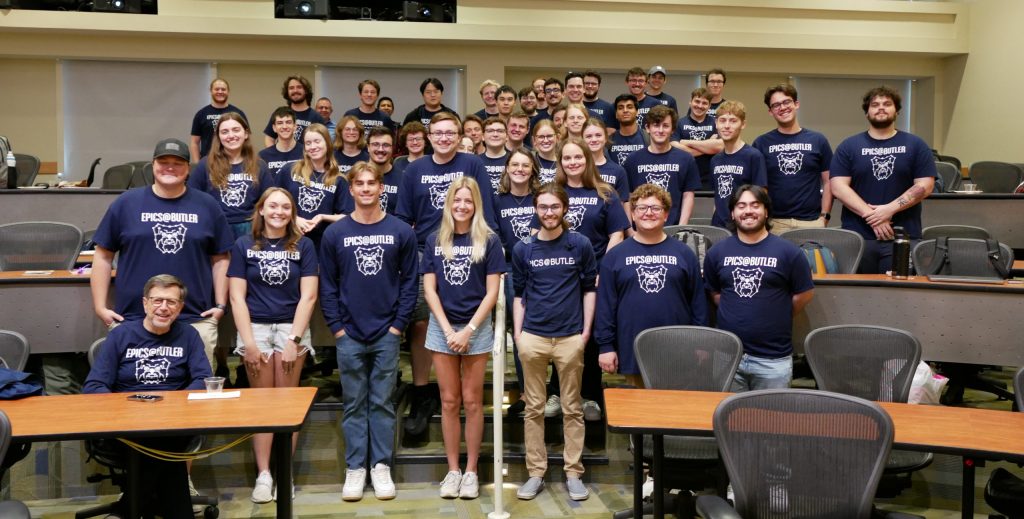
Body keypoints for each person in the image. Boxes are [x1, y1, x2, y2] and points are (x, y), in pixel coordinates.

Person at [320, 161, 417, 502]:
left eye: (370, 183)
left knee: (382, 403)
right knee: (353, 403)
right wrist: (337, 329)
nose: (365, 189)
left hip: (386, 333)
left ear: (380, 188)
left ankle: (380, 465)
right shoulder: (335, 234)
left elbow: (410, 284)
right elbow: (327, 286)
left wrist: (397, 326)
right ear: (351, 190)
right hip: (348, 333)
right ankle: (355, 468)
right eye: (359, 184)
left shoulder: (400, 231)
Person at [396, 112, 497, 436]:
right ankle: (422, 393)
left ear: (459, 135)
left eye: (449, 133)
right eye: (437, 133)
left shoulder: (473, 164)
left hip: (471, 246)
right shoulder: (415, 170)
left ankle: (463, 384)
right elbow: (404, 219)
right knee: (422, 321)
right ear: (429, 137)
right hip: (427, 250)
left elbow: (486, 210)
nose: (443, 138)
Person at [91, 138, 232, 368]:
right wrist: (100, 307)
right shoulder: (126, 203)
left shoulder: (207, 205)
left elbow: (221, 258)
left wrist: (220, 306)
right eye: (163, 162)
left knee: (199, 386)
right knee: (134, 385)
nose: (170, 168)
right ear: (153, 165)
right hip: (133, 318)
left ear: (188, 168)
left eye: (177, 163)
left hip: (195, 319)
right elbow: (103, 256)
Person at [84, 274, 213, 519]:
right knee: (165, 452)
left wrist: (174, 405)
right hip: (127, 426)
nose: (164, 307)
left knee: (163, 441)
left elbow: (202, 379)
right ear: (145, 303)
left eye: (171, 302)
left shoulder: (188, 335)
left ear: (180, 307)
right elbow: (95, 385)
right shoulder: (121, 335)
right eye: (157, 300)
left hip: (173, 422)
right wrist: (123, 410)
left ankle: (128, 510)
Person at [227, 188, 317, 503]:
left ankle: (284, 473)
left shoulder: (304, 245)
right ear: (262, 210)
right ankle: (264, 474)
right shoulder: (243, 245)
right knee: (262, 404)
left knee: (287, 404)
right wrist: (249, 343)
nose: (279, 212)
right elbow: (236, 297)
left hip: (292, 327)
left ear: (292, 213)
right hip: (256, 327)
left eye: (286, 207)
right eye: (273, 206)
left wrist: (294, 339)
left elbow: (309, 296)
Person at [421, 177, 505, 499]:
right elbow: (429, 290)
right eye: (457, 200)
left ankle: (471, 471)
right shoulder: (434, 239)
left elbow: (492, 292)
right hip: (442, 327)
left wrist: (468, 330)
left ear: (476, 205)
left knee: (472, 401)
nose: (462, 206)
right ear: (449, 204)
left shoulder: (489, 240)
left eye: (468, 201)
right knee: (449, 401)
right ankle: (453, 470)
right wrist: (448, 331)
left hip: (476, 327)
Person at [512, 183, 597, 502]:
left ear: (564, 208)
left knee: (572, 408)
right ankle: (536, 472)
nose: (549, 212)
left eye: (554, 207)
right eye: (543, 207)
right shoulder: (524, 249)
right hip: (533, 337)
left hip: (570, 337)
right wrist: (518, 335)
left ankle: (573, 473)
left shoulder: (580, 244)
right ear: (536, 209)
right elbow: (518, 294)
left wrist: (584, 332)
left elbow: (589, 289)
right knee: (534, 408)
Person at [703, 185, 814, 391]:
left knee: (770, 413)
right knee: (727, 412)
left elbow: (804, 294)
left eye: (755, 205)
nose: (748, 211)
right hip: (728, 356)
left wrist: (776, 312)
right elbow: (715, 293)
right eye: (741, 206)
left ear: (766, 211)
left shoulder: (789, 252)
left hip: (773, 360)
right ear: (732, 213)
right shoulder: (717, 252)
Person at [596, 183, 707, 388]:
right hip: (632, 346)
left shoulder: (684, 253)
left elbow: (698, 302)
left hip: (679, 348)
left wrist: (701, 343)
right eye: (642, 208)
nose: (648, 213)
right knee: (641, 405)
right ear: (633, 215)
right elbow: (605, 306)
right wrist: (605, 346)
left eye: (656, 208)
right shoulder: (614, 256)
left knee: (674, 403)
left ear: (666, 215)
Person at [548, 138, 629, 421]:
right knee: (561, 334)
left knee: (591, 335)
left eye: (578, 157)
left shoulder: (605, 192)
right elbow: (541, 232)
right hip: (561, 276)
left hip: (594, 276)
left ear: (588, 160)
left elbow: (616, 234)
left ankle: (591, 395)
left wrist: (601, 270)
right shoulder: (553, 193)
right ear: (560, 162)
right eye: (567, 158)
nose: (573, 163)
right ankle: (557, 392)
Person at [829, 85, 936, 273]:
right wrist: (875, 218)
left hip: (902, 236)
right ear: (867, 112)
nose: (881, 108)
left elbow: (925, 186)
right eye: (875, 104)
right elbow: (838, 187)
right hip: (858, 238)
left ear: (897, 110)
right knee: (857, 290)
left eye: (887, 104)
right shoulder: (849, 146)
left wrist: (889, 209)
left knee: (900, 290)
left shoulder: (916, 145)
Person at [492, 147, 540, 418]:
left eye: (525, 165)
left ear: (533, 170)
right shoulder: (497, 200)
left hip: (540, 266)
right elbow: (493, 234)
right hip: (509, 267)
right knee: (519, 329)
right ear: (507, 169)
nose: (520, 169)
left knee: (536, 328)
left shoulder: (540, 197)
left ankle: (543, 391)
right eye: (515, 165)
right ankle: (525, 392)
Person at [752, 84, 835, 234]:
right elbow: (757, 187)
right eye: (776, 105)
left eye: (786, 102)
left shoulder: (818, 140)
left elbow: (829, 181)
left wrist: (825, 216)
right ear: (770, 111)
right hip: (774, 224)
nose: (782, 107)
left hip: (812, 223)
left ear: (796, 104)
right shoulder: (761, 143)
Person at [188, 112, 273, 239]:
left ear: (245, 134)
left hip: (250, 228)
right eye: (225, 132)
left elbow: (270, 199)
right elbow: (191, 198)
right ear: (218, 137)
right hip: (215, 226)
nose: (231, 136)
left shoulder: (259, 165)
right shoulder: (205, 164)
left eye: (236, 130)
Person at [276, 123, 352, 249]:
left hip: (320, 243)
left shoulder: (339, 179)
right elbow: (271, 201)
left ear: (327, 143)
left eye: (317, 141)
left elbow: (348, 216)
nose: (313, 147)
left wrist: (322, 217)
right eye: (308, 143)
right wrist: (294, 218)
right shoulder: (290, 170)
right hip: (288, 237)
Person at [623, 105, 702, 226]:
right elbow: (628, 197)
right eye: (656, 125)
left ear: (673, 129)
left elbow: (688, 195)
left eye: (665, 126)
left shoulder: (686, 159)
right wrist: (630, 230)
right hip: (641, 228)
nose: (660, 130)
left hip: (673, 227)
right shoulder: (632, 160)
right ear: (647, 128)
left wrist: (681, 227)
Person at [709, 101, 768, 228]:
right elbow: (718, 197)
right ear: (716, 123)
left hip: (744, 226)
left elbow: (761, 197)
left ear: (743, 124)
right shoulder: (715, 160)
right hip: (718, 226)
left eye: (733, 121)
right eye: (722, 120)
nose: (727, 126)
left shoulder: (753, 156)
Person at [671, 87, 723, 190]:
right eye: (697, 101)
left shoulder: (715, 123)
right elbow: (675, 148)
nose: (700, 106)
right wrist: (709, 145)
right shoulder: (679, 123)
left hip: (709, 177)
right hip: (684, 175)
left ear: (709, 106)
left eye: (704, 103)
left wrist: (686, 142)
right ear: (690, 102)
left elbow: (720, 147)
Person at [190, 77, 247, 162]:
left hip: (234, 161)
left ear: (228, 91)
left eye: (223, 89)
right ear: (211, 91)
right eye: (217, 89)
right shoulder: (201, 114)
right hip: (209, 161)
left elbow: (246, 139)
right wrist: (197, 164)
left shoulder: (238, 113)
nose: (220, 92)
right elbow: (194, 142)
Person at [263, 75, 324, 148]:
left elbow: (323, 142)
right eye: (291, 88)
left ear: (306, 91)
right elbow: (269, 138)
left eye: (299, 87)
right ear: (287, 92)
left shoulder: (317, 117)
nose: (295, 90)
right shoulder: (280, 114)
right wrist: (274, 154)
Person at [582, 117, 630, 203]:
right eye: (589, 136)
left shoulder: (618, 171)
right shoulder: (576, 168)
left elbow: (623, 204)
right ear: (582, 139)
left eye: (598, 135)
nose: (594, 140)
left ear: (606, 138)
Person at [366, 127, 403, 215]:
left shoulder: (403, 179)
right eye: (375, 144)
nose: (380, 149)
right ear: (368, 147)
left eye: (386, 145)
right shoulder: (355, 177)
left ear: (392, 148)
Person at [258, 106, 303, 177]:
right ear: (274, 128)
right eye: (280, 123)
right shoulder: (263, 156)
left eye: (288, 122)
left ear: (295, 126)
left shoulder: (306, 153)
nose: (284, 127)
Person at [608, 94, 647, 166]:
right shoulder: (609, 141)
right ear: (616, 114)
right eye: (620, 108)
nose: (625, 110)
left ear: (637, 112)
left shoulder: (648, 138)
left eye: (630, 107)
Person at [479, 117, 509, 194]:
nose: (495, 134)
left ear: (507, 136)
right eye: (490, 131)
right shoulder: (475, 162)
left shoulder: (514, 160)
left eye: (500, 131)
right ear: (482, 136)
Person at [531, 119, 558, 183]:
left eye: (549, 136)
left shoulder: (564, 162)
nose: (546, 140)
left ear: (557, 138)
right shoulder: (529, 161)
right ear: (534, 140)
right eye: (541, 137)